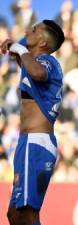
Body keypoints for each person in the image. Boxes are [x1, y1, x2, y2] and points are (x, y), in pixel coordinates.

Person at [1, 19, 65, 225]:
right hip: (27, 143)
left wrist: (18, 47)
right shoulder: (30, 62)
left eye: (34, 29)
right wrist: (15, 46)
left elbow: (38, 72)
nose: (28, 30)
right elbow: (20, 55)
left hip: (36, 143)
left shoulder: (47, 61)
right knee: (14, 214)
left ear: (43, 42)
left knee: (28, 214)